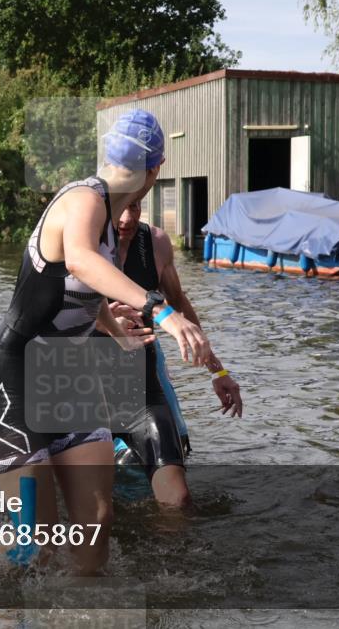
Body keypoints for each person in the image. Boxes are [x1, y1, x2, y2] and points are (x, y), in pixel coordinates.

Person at [0, 109, 213, 574]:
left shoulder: (106, 219)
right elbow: (79, 261)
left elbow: (77, 281)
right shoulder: (85, 199)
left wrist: (115, 329)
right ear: (156, 172)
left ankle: (82, 608)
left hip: (63, 374)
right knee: (37, 543)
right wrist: (160, 312)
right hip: (11, 376)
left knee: (97, 521)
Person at [105, 197, 243, 507]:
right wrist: (105, 325)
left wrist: (218, 371)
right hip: (86, 372)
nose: (127, 218)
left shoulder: (155, 243)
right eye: (120, 208)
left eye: (136, 206)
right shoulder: (86, 244)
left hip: (142, 367)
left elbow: (179, 305)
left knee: (178, 452)